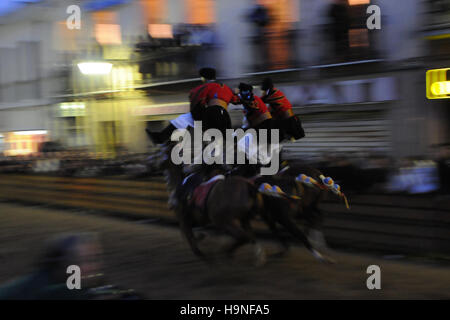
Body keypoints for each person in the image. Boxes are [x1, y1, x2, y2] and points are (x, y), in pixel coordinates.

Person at [146, 67, 239, 144]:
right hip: (224, 116)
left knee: (183, 119)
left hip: (212, 113)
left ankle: (160, 138)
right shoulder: (226, 88)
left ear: (203, 78)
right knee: (228, 136)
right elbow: (236, 100)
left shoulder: (204, 87)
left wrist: (196, 115)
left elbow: (195, 99)